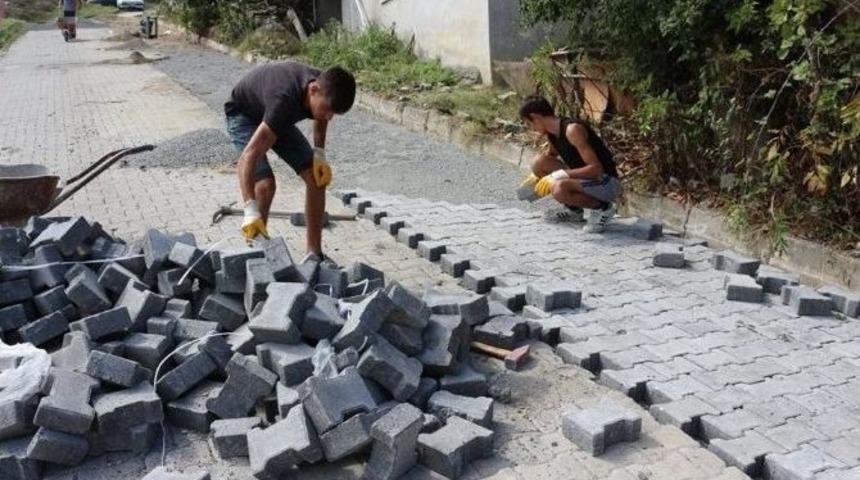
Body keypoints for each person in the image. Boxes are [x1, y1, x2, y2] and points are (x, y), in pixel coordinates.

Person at [225, 62, 356, 258]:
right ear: (313, 90)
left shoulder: (324, 85)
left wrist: (319, 153)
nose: (329, 117)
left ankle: (314, 254)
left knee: (316, 179)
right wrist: (249, 209)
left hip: (275, 117)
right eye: (328, 110)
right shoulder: (283, 100)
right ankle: (257, 255)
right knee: (265, 185)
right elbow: (248, 157)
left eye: (333, 114)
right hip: (244, 115)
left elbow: (322, 117)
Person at [519, 96, 622, 232]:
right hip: (587, 178)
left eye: (529, 123)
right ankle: (574, 211)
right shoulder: (552, 133)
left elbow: (596, 170)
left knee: (558, 188)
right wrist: (535, 176)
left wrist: (559, 175)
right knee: (539, 163)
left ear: (535, 117)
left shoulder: (572, 130)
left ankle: (603, 209)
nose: (531, 128)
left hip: (606, 182)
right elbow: (548, 158)